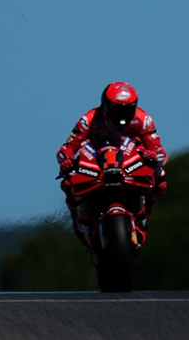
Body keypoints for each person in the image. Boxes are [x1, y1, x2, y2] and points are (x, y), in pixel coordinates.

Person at [56, 82, 168, 252]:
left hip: (131, 162)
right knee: (68, 181)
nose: (122, 116)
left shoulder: (143, 119)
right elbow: (66, 149)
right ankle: (83, 224)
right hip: (96, 161)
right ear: (105, 106)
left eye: (127, 109)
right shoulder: (88, 119)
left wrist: (151, 156)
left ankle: (143, 216)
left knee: (160, 175)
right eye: (116, 109)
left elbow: (160, 152)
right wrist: (67, 160)